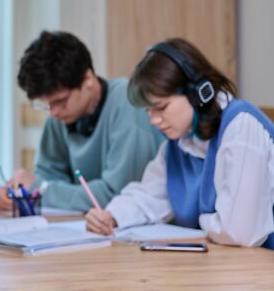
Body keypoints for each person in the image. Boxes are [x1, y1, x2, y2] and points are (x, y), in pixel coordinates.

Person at [86, 38, 274, 248]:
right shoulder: (179, 142)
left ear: (196, 93)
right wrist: (111, 216)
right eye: (149, 110)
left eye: (161, 107)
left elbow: (240, 232)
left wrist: (202, 220)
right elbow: (149, 195)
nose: (153, 120)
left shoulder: (241, 127)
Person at [0, 31, 162, 212]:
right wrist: (22, 192)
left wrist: (39, 190)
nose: (53, 112)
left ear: (88, 79)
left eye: (60, 101)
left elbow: (117, 195)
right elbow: (48, 176)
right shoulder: (60, 115)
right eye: (46, 105)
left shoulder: (127, 103)